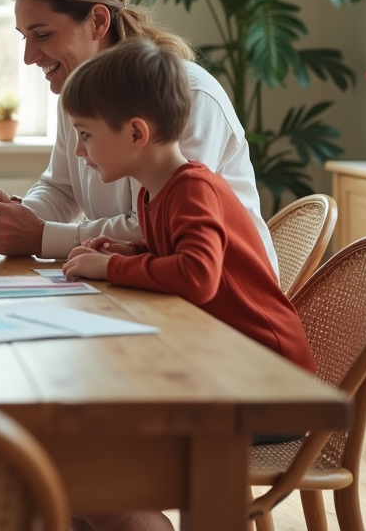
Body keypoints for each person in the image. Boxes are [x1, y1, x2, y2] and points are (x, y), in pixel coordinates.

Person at [58, 38, 314, 531]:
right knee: (77, 458)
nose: (78, 149)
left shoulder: (193, 186)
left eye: (85, 134)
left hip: (268, 386)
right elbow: (173, 256)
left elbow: (197, 275)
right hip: (227, 373)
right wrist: (122, 253)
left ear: (135, 133)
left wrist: (109, 269)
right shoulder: (158, 192)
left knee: (88, 462)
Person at [0, 0, 278, 277]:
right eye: (24, 37)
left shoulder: (186, 94)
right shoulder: (77, 93)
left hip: (223, 298)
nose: (29, 56)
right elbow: (61, 188)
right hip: (151, 284)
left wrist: (39, 237)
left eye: (43, 35)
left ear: (97, 20)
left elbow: (159, 228)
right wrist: (11, 221)